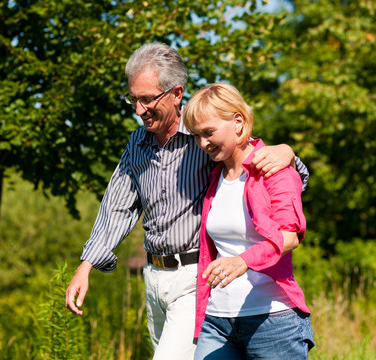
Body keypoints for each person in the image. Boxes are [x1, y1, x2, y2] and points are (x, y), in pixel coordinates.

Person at [65, 43, 309, 360]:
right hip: (154, 277)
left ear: (176, 93)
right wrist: (87, 265)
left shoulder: (205, 138)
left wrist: (288, 152)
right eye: (133, 99)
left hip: (198, 278)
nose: (138, 109)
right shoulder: (137, 143)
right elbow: (117, 207)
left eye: (147, 99)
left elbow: (258, 161)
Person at [182, 82, 315, 359]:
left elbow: (289, 235)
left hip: (272, 320)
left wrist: (243, 261)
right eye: (196, 136)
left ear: (238, 123)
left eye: (208, 133)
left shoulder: (273, 169)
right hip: (217, 322)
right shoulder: (214, 177)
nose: (202, 143)